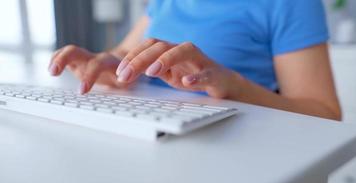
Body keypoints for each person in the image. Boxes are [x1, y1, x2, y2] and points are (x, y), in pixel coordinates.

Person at [48, 0, 342, 120]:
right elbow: (125, 54)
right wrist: (107, 64)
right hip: (144, 131)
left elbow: (325, 113)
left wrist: (231, 84)